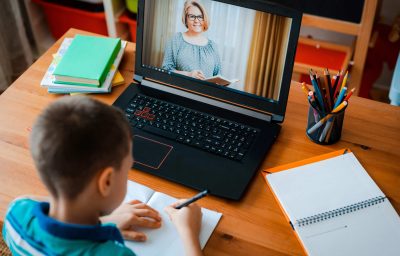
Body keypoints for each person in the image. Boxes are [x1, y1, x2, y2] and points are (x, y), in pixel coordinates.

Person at [2, 96, 203, 256]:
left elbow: (50, 205)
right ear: (106, 181)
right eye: (127, 169)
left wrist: (105, 222)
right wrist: (188, 232)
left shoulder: (16, 213)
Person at [162, 0, 221, 80]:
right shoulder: (176, 40)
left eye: (200, 17)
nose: (196, 20)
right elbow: (166, 70)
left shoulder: (213, 46)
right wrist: (189, 74)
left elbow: (218, 76)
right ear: (186, 18)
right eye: (192, 16)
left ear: (205, 18)